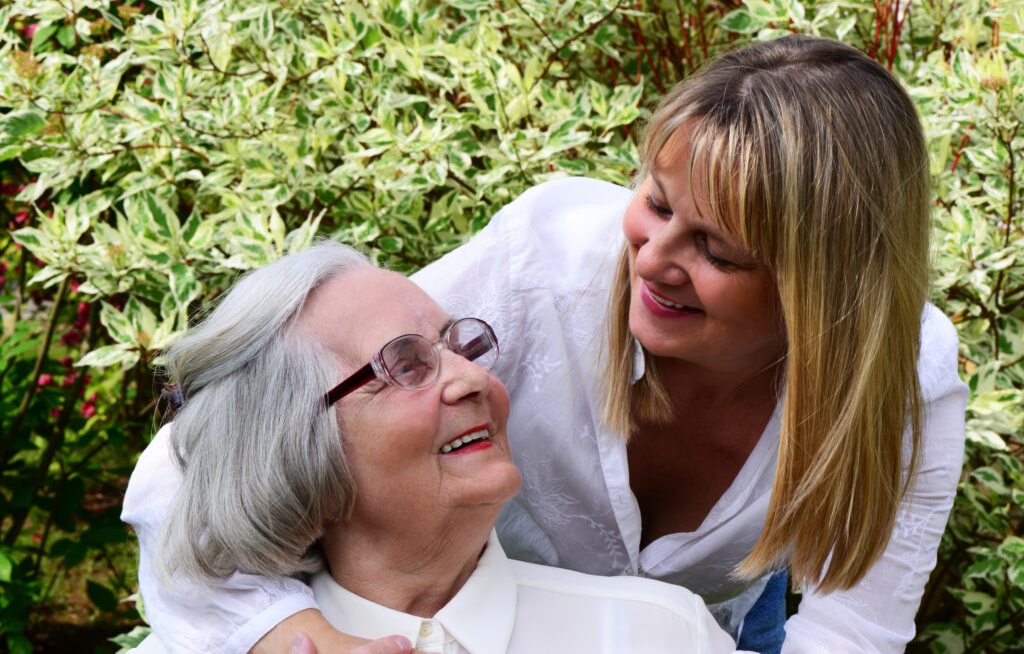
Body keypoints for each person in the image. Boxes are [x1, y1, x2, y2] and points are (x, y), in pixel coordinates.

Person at [122, 35, 968, 652]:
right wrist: (279, 631)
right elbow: (216, 451)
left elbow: (854, 629)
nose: (654, 259)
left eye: (715, 250)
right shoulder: (548, 263)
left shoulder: (906, 378)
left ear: (816, 289)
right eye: (658, 203)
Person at [124, 242, 741, 654]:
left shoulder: (664, 633)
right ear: (293, 448)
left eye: (460, 346)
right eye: (405, 365)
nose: (473, 378)